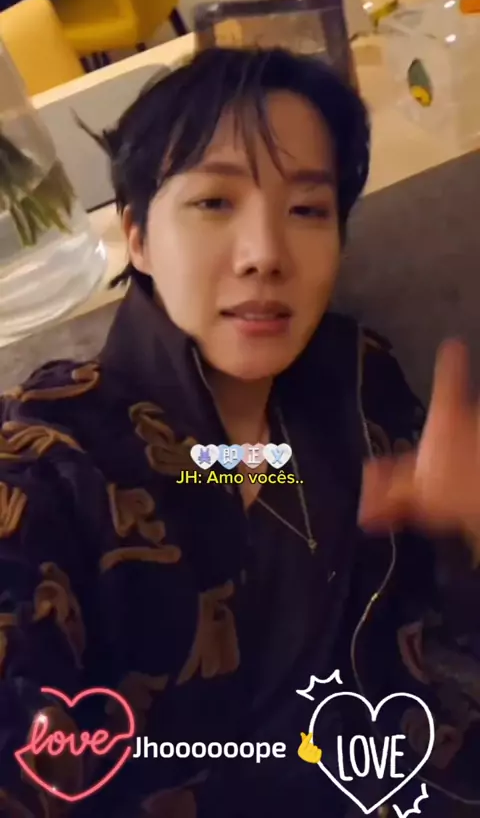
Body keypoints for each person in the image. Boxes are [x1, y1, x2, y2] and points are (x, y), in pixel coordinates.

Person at [0, 46, 479, 818]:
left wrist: (467, 534)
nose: (265, 256)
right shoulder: (57, 459)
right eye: (214, 203)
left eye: (308, 210)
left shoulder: (357, 382)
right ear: (138, 236)